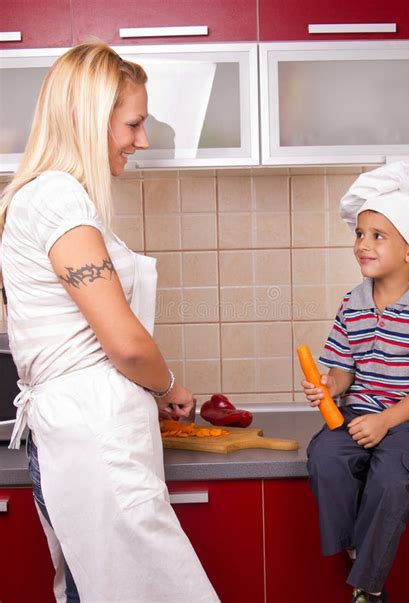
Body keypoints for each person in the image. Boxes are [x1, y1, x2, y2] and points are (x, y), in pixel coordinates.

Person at [0, 41, 219, 602]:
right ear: (88, 119)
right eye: (133, 124)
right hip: (93, 433)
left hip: (90, 431)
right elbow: (123, 342)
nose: (142, 141)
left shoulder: (55, 200)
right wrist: (170, 385)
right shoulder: (58, 201)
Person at [302, 162, 409, 603]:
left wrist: (387, 421)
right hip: (358, 410)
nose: (362, 244)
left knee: (391, 481)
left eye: (377, 235)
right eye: (359, 234)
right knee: (325, 456)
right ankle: (360, 545)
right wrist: (330, 388)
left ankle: (368, 586)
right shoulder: (352, 304)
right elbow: (343, 370)